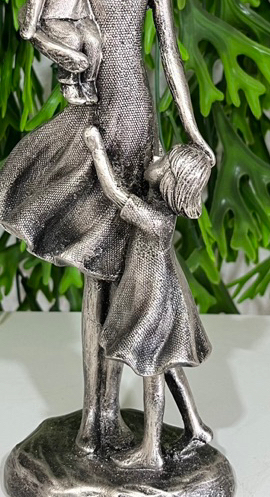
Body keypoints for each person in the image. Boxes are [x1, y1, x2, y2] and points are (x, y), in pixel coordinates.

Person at [0, 0, 215, 456]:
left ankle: (140, 410)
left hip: (138, 115)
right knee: (97, 267)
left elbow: (168, 53)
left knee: (136, 259)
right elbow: (47, 22)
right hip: (96, 115)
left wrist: (193, 133)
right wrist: (66, 57)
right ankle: (97, 414)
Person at [83, 125, 213, 469]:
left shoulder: (156, 219)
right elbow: (154, 160)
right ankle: (196, 426)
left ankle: (151, 450)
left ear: (168, 182)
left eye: (164, 161)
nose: (157, 156)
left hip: (152, 301)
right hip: (161, 292)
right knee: (168, 366)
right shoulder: (159, 202)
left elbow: (115, 194)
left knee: (152, 372)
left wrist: (97, 149)